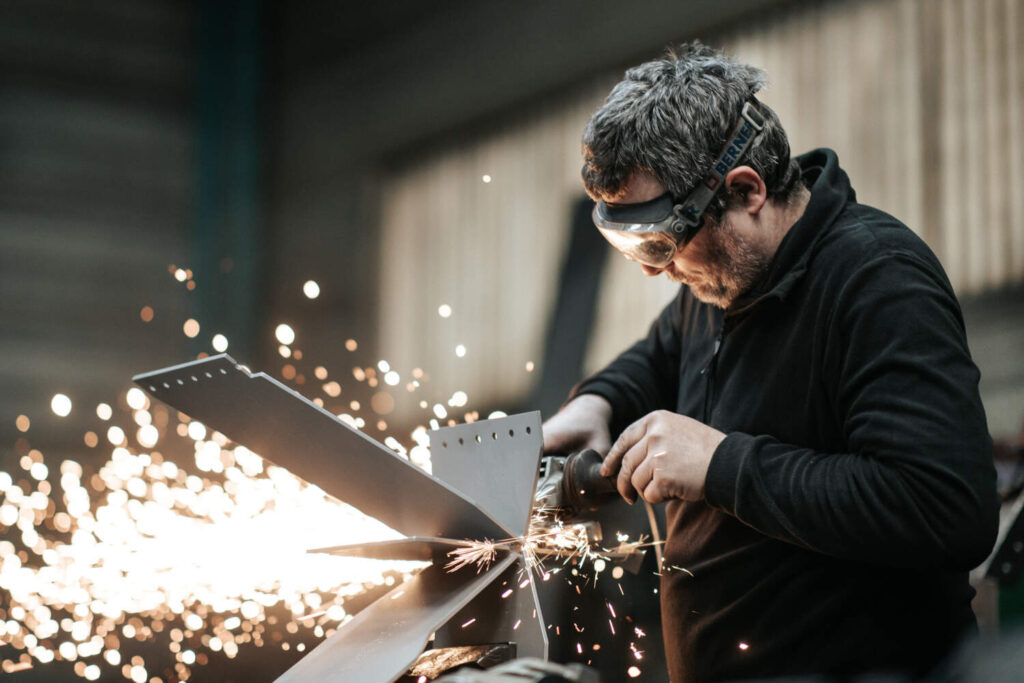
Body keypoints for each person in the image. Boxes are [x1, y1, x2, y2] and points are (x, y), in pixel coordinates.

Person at [541, 42, 999, 682]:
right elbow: (659, 353)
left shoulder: (877, 280)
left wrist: (721, 463)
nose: (653, 268)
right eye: (633, 245)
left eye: (662, 241)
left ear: (747, 189)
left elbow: (944, 509)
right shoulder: (718, 278)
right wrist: (600, 400)